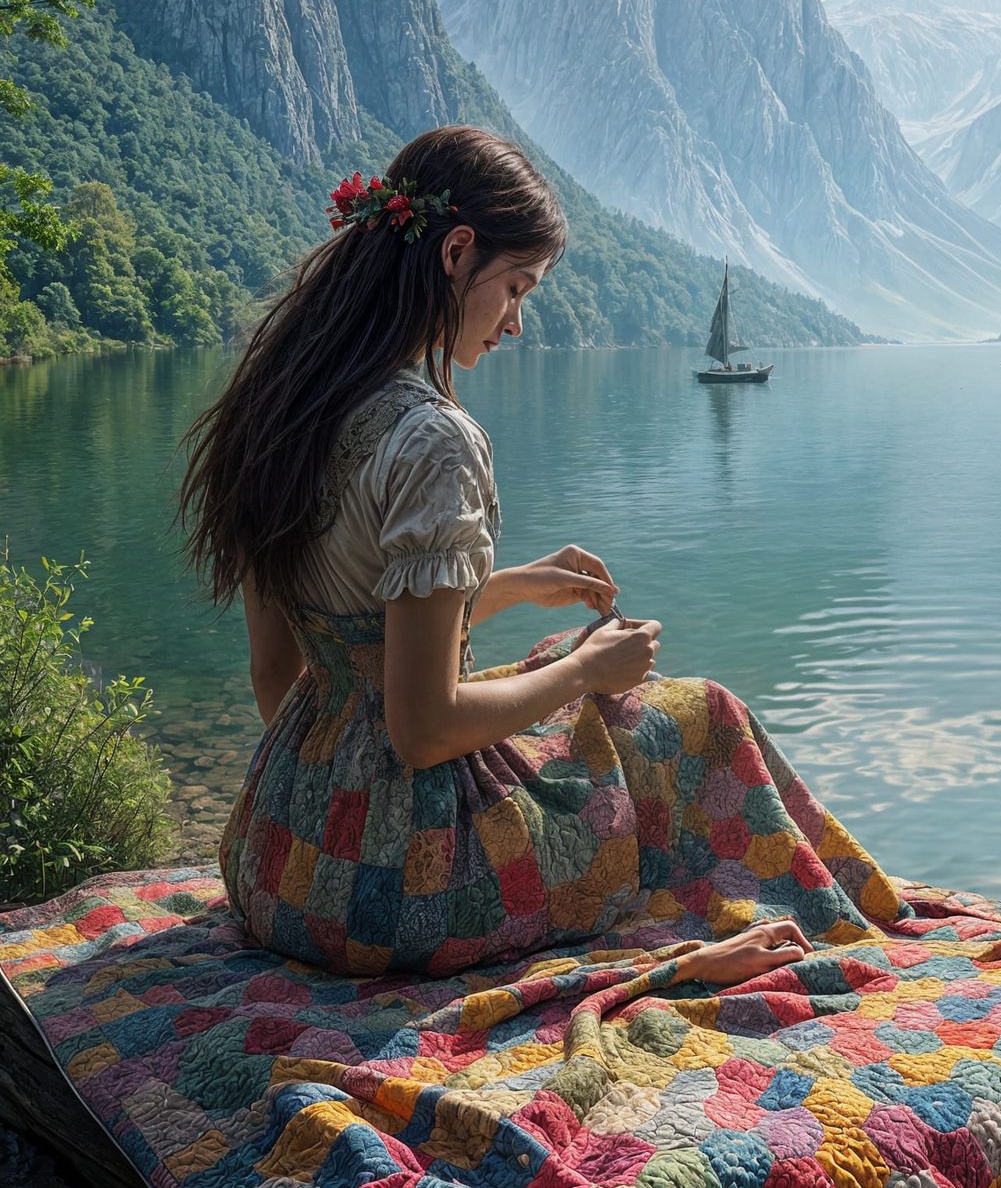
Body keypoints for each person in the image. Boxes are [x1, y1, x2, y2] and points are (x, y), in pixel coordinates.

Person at [179, 126, 881, 984]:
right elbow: (424, 725)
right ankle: (757, 939)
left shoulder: (281, 407)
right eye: (516, 287)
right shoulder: (432, 439)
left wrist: (506, 586)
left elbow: (289, 667)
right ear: (457, 252)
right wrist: (588, 670)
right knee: (692, 717)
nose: (516, 321)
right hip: (409, 894)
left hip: (278, 864)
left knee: (562, 667)